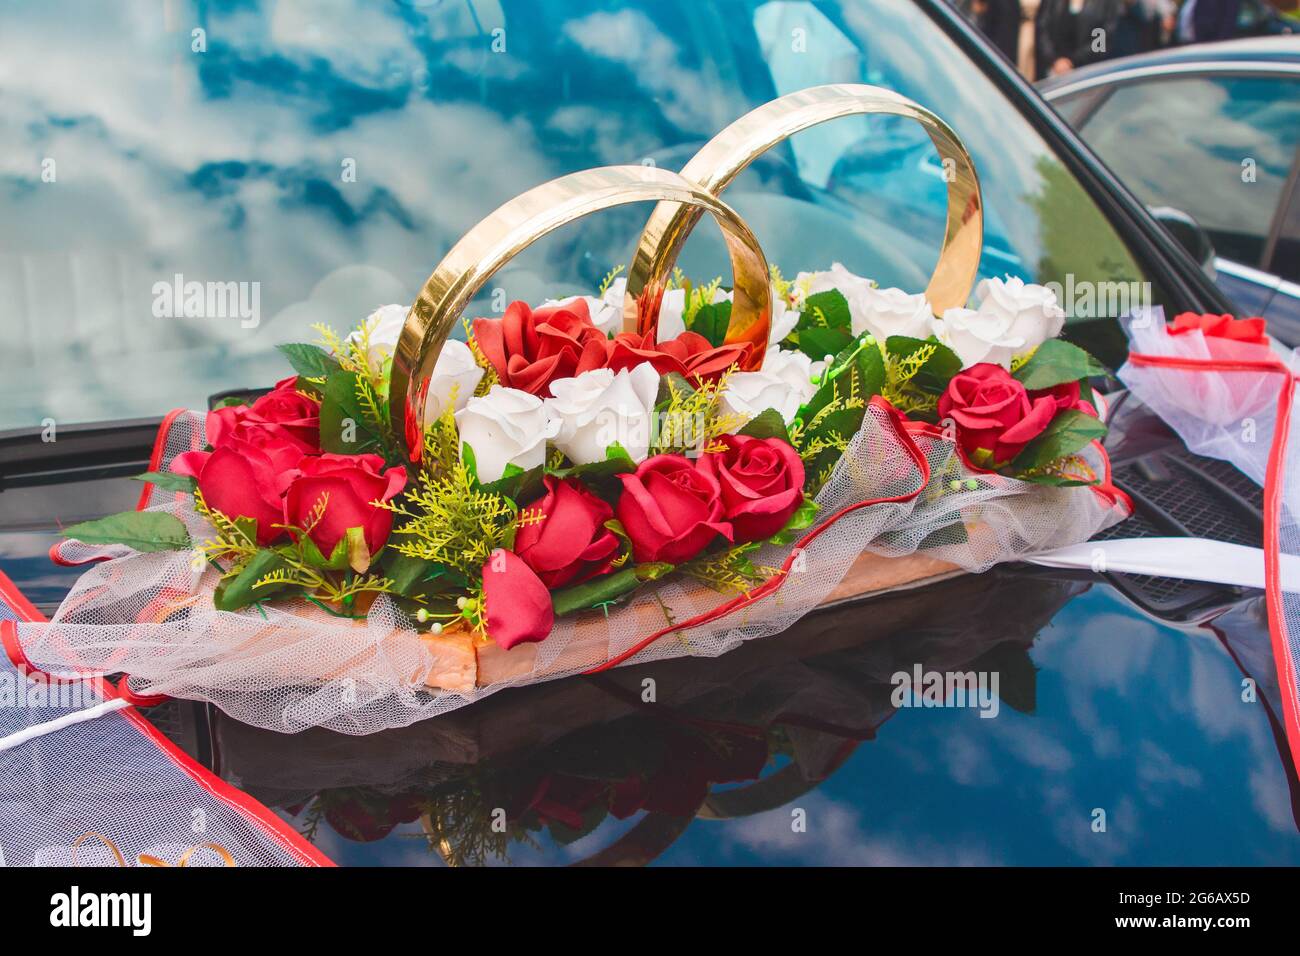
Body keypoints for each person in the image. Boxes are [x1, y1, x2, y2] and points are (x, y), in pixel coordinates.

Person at [1034, 0, 1124, 78]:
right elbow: (1042, 28)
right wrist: (1055, 60)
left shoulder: (1106, 3)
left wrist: (1072, 61)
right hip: (1054, 70)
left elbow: (1103, 39)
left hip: (1090, 71)